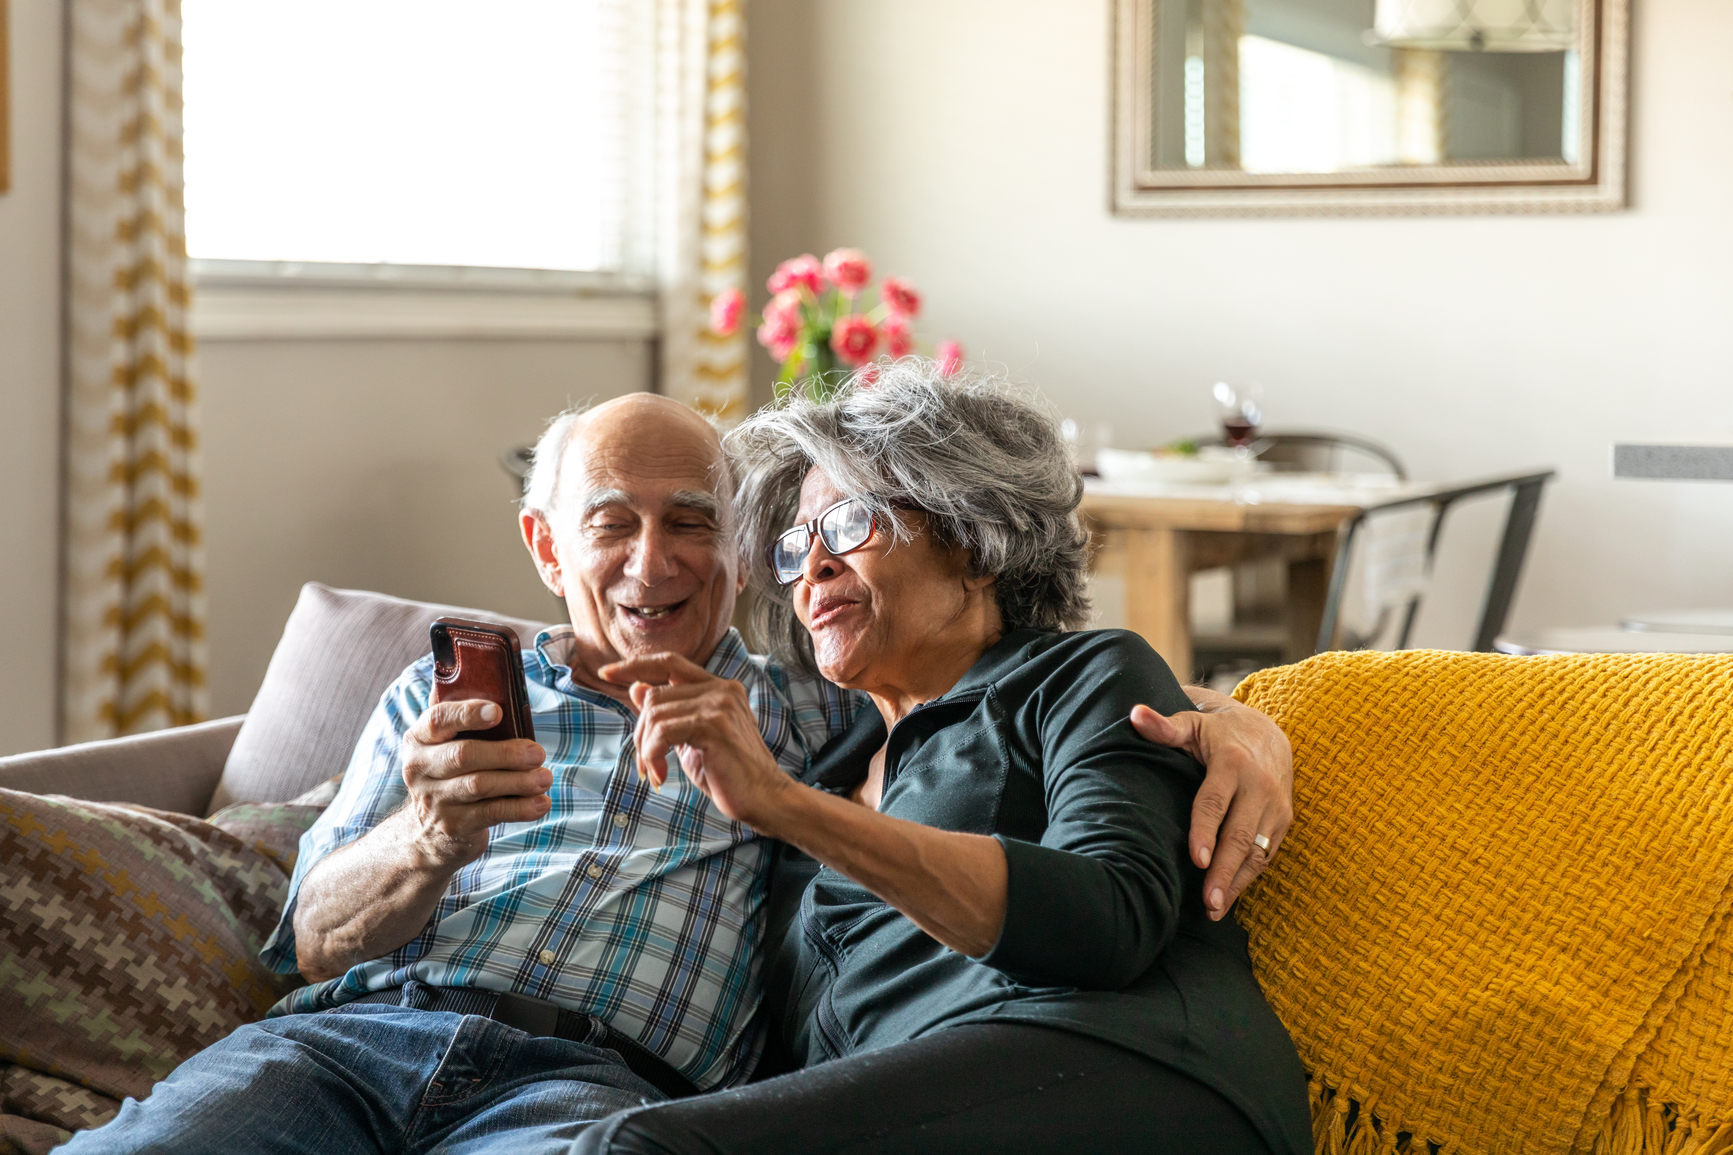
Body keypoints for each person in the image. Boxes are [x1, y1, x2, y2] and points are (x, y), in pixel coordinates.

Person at [59, 391, 1295, 1155]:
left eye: (696, 520)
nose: (655, 558)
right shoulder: (438, 697)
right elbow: (312, 941)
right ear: (547, 546)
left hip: (591, 1088)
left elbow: (1018, 681)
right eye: (611, 520)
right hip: (344, 1042)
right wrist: (425, 841)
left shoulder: (802, 711)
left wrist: (1250, 720)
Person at [576, 363, 1312, 1154]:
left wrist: (785, 805)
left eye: (849, 523)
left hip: (1126, 1073)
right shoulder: (826, 756)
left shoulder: (1082, 676)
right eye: (797, 545)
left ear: (971, 540)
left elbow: (1110, 920)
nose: (814, 568)